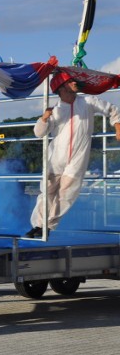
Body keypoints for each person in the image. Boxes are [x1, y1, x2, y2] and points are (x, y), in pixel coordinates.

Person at [26, 72, 120, 238]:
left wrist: (118, 126)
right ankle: (38, 225)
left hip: (77, 158)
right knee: (46, 192)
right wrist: (44, 118)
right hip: (56, 158)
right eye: (70, 81)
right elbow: (39, 133)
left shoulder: (88, 102)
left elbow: (112, 109)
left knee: (66, 195)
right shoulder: (55, 110)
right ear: (62, 88)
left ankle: (48, 226)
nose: (74, 82)